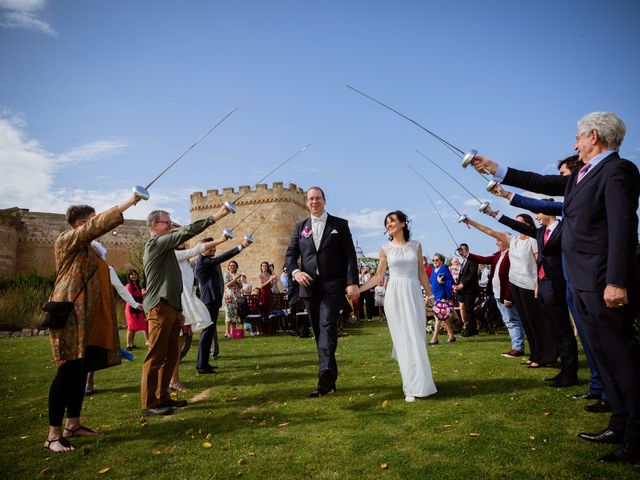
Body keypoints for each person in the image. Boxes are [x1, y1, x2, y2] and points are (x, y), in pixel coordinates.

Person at [471, 111, 640, 464]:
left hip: (601, 280)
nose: (574, 143)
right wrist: (496, 169)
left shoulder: (617, 171)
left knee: (621, 356)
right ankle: (619, 422)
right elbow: (543, 183)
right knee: (601, 354)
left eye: (578, 136)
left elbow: (624, 227)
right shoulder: (581, 173)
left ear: (593, 136)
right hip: (580, 280)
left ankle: (637, 434)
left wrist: (617, 281)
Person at [44, 194, 139, 453]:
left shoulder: (91, 251)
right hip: (68, 316)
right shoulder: (66, 241)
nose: (95, 225)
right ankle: (53, 435)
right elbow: (97, 226)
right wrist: (131, 201)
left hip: (87, 319)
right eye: (91, 220)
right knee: (66, 372)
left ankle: (72, 424)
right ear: (79, 224)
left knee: (81, 370)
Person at [141, 205, 230, 416]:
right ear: (154, 225)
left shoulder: (168, 251)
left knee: (172, 355)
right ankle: (149, 403)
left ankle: (163, 398)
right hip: (159, 307)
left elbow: (174, 281)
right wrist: (215, 216)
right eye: (166, 222)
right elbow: (187, 232)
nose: (171, 225)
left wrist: (179, 309)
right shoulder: (155, 243)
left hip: (171, 307)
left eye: (171, 222)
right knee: (155, 356)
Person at [485, 204, 578, 387]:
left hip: (552, 284)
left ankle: (566, 368)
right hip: (543, 285)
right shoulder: (542, 233)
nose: (537, 216)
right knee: (553, 328)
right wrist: (492, 213)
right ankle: (564, 370)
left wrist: (536, 283)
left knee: (560, 329)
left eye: (539, 212)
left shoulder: (558, 229)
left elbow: (544, 261)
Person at [285, 186, 359, 397]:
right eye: (310, 199)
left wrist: (352, 282)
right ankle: (328, 381)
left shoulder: (339, 225)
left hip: (333, 286)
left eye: (317, 198)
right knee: (319, 332)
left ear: (324, 200)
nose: (314, 202)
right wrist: (296, 272)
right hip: (309, 287)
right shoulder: (301, 227)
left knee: (327, 325)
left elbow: (350, 255)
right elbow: (290, 256)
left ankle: (324, 372)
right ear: (307, 203)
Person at [359, 211, 437, 402]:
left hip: (413, 292)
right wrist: (359, 289)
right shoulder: (385, 248)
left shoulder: (416, 246)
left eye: (392, 221)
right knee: (403, 339)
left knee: (417, 338)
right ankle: (410, 387)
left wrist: (431, 295)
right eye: (386, 223)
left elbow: (422, 274)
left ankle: (423, 383)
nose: (389, 224)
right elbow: (378, 277)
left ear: (402, 223)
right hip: (394, 294)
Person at [170, 235, 226, 392]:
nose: (182, 241)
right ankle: (172, 380)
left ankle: (174, 379)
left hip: (187, 302)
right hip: (180, 302)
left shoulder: (186, 259)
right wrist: (224, 241)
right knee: (175, 344)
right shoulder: (174, 255)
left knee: (180, 342)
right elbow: (197, 250)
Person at [194, 237, 251, 373]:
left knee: (208, 333)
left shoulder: (205, 261)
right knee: (207, 332)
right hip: (209, 301)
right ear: (203, 249)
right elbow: (222, 258)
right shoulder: (203, 261)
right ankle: (202, 365)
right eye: (211, 247)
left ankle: (203, 363)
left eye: (214, 247)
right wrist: (241, 246)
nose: (214, 249)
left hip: (211, 301)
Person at [466, 238, 524, 358]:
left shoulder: (511, 254)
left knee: (513, 321)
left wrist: (508, 296)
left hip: (506, 296)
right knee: (508, 321)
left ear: (507, 241)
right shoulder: (498, 255)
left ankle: (518, 348)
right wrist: (467, 254)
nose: (496, 243)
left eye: (499, 240)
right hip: (497, 294)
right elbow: (483, 259)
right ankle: (516, 346)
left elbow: (512, 277)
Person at [427, 253, 456, 345]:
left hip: (442, 295)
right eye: (433, 260)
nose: (435, 262)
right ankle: (451, 336)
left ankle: (434, 338)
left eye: (437, 260)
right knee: (443, 317)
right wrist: (428, 295)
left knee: (438, 317)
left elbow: (451, 281)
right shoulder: (433, 270)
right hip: (435, 295)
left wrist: (442, 281)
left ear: (441, 261)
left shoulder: (444, 268)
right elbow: (431, 282)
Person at [455, 243, 480, 337]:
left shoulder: (472, 260)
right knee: (469, 310)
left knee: (469, 310)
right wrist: (457, 286)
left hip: (471, 290)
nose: (460, 252)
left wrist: (463, 284)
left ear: (467, 249)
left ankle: (470, 330)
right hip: (464, 290)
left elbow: (472, 274)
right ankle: (473, 330)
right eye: (459, 251)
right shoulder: (464, 262)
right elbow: (462, 275)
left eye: (461, 250)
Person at [124, 269, 147, 350]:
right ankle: (128, 345)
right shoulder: (128, 286)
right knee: (130, 327)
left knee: (134, 328)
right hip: (130, 309)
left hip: (138, 308)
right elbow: (128, 297)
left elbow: (139, 296)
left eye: (135, 274)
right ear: (129, 276)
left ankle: (131, 344)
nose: (133, 276)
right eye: (132, 275)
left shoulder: (137, 285)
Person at [223, 260, 243, 338]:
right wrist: (235, 279)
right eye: (230, 265)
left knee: (234, 314)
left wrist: (238, 281)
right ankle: (227, 332)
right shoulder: (226, 275)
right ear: (228, 267)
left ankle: (233, 332)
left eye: (234, 265)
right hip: (229, 297)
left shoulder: (237, 274)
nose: (232, 266)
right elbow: (227, 285)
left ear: (236, 267)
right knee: (228, 314)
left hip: (236, 297)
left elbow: (241, 287)